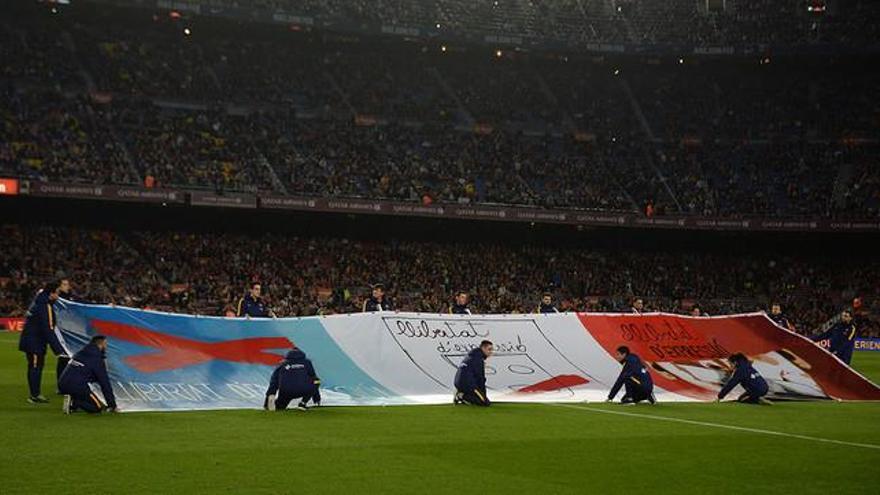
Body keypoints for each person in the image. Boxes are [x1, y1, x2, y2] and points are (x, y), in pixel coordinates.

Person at [18, 281, 68, 404]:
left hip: (32, 339)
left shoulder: (40, 300)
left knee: (36, 366)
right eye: (57, 293)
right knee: (35, 366)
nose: (58, 296)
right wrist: (58, 350)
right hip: (34, 342)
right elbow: (48, 329)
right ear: (52, 293)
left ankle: (35, 394)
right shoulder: (45, 306)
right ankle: (34, 395)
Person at [60, 335, 118, 414]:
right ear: (101, 344)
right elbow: (105, 383)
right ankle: (73, 402)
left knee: (82, 390)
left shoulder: (81, 353)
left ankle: (73, 404)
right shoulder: (96, 359)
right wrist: (112, 405)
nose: (106, 347)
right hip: (77, 386)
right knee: (97, 407)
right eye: (105, 344)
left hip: (62, 383)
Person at [453, 340, 493, 406]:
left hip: (459, 383)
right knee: (485, 402)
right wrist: (484, 396)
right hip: (468, 385)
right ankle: (460, 396)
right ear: (483, 348)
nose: (491, 352)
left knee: (479, 398)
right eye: (489, 349)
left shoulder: (472, 355)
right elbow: (481, 379)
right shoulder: (478, 359)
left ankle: (461, 392)